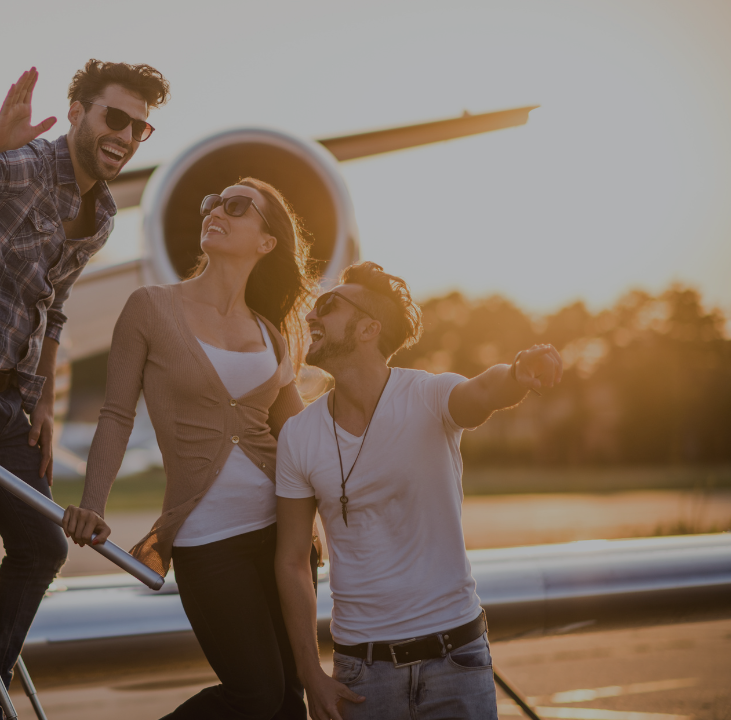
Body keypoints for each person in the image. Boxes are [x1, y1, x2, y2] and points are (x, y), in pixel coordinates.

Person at [0, 60, 169, 719]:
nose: (126, 135)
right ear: (77, 110)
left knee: (43, 545)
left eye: (140, 127)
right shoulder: (24, 164)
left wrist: (44, 403)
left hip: (8, 403)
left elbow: (53, 307)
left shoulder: (101, 214)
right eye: (115, 117)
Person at [63, 179, 316, 720]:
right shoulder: (151, 308)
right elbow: (116, 413)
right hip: (209, 540)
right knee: (255, 695)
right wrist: (93, 502)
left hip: (283, 535)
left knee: (291, 699)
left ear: (267, 242)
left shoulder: (272, 333)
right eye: (212, 202)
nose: (215, 210)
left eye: (237, 205)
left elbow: (298, 436)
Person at [273, 262, 564, 720]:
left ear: (369, 328)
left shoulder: (429, 396)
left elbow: (482, 391)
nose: (312, 314)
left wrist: (517, 374)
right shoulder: (298, 436)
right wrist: (311, 674)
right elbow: (291, 562)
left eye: (328, 306)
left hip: (457, 661)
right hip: (362, 676)